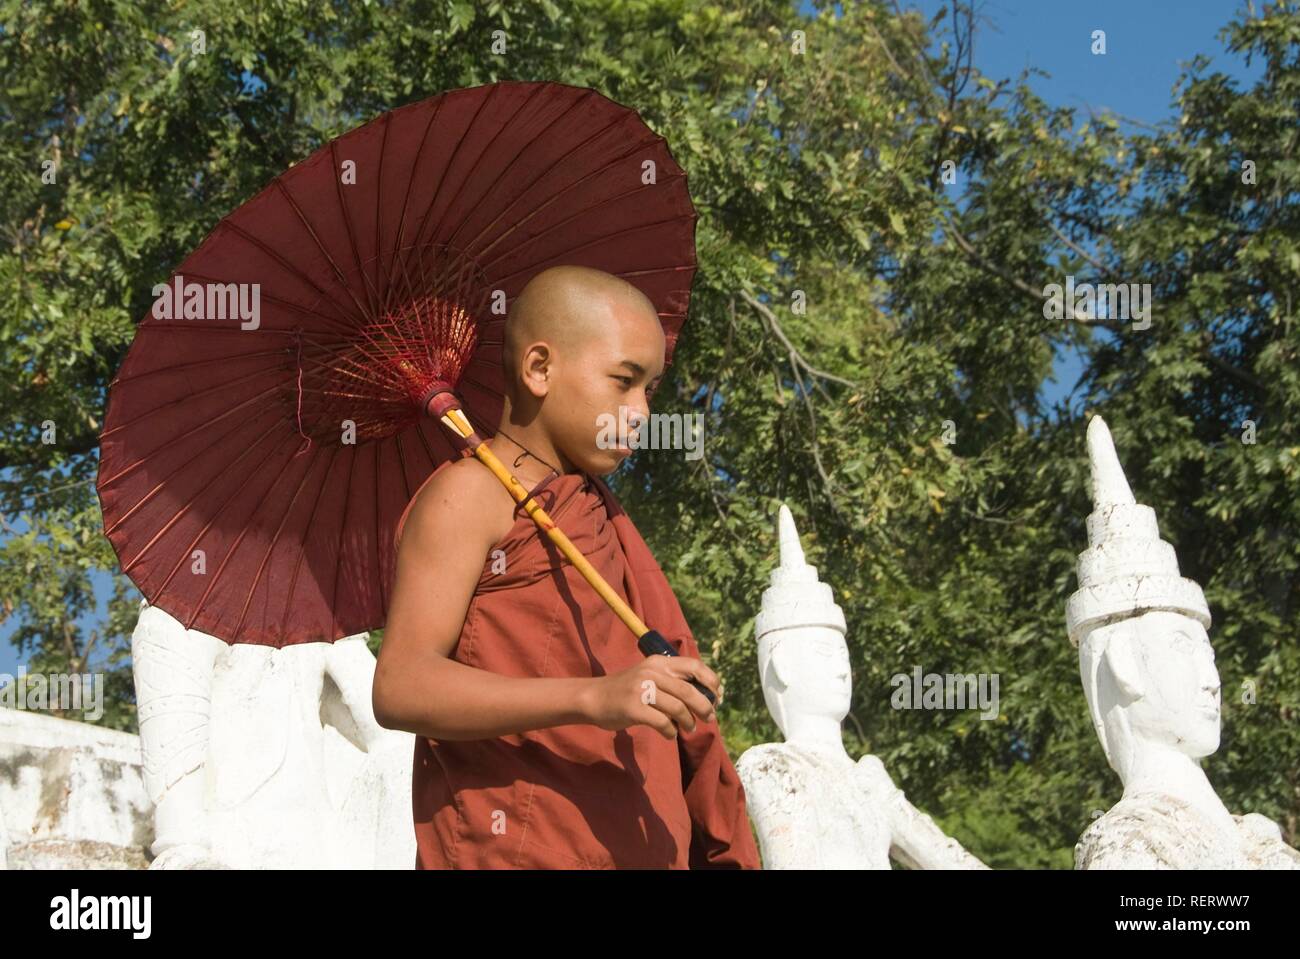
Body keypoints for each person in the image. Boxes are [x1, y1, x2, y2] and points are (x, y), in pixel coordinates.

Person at [373, 265, 761, 869]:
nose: (639, 413)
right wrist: (593, 698)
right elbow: (400, 685)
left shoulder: (594, 516)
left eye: (650, 391)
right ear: (539, 369)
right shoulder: (468, 497)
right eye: (623, 381)